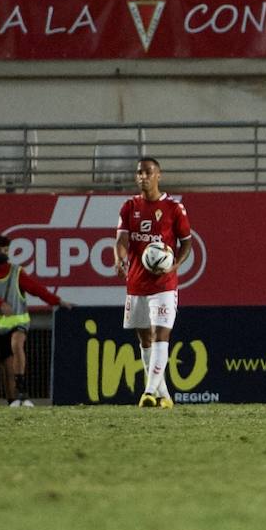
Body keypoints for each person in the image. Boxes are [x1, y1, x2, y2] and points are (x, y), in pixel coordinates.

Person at [117, 157, 193, 409]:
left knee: (161, 336)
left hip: (164, 285)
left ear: (159, 175)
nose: (143, 177)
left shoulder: (174, 208)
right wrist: (119, 259)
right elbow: (121, 240)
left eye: (148, 172)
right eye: (139, 173)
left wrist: (175, 265)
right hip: (136, 284)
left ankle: (148, 392)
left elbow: (187, 242)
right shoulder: (129, 207)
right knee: (145, 341)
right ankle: (165, 396)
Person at [0, 234, 73, 407]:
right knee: (6, 366)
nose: (3, 254)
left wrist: (57, 301)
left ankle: (22, 389)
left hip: (19, 322)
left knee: (17, 344)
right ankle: (13, 400)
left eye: (6, 250)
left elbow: (37, 290)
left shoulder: (17, 272)